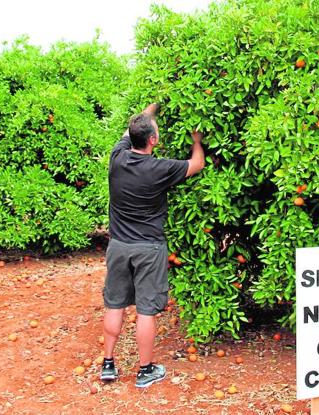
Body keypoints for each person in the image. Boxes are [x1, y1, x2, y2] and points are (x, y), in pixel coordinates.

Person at [101, 103, 205, 388]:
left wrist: (151, 108)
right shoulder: (159, 168)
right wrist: (197, 141)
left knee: (115, 304)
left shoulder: (117, 158)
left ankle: (108, 364)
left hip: (119, 246)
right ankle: (145, 369)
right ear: (153, 141)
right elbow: (197, 165)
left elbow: (129, 129)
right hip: (148, 248)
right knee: (146, 310)